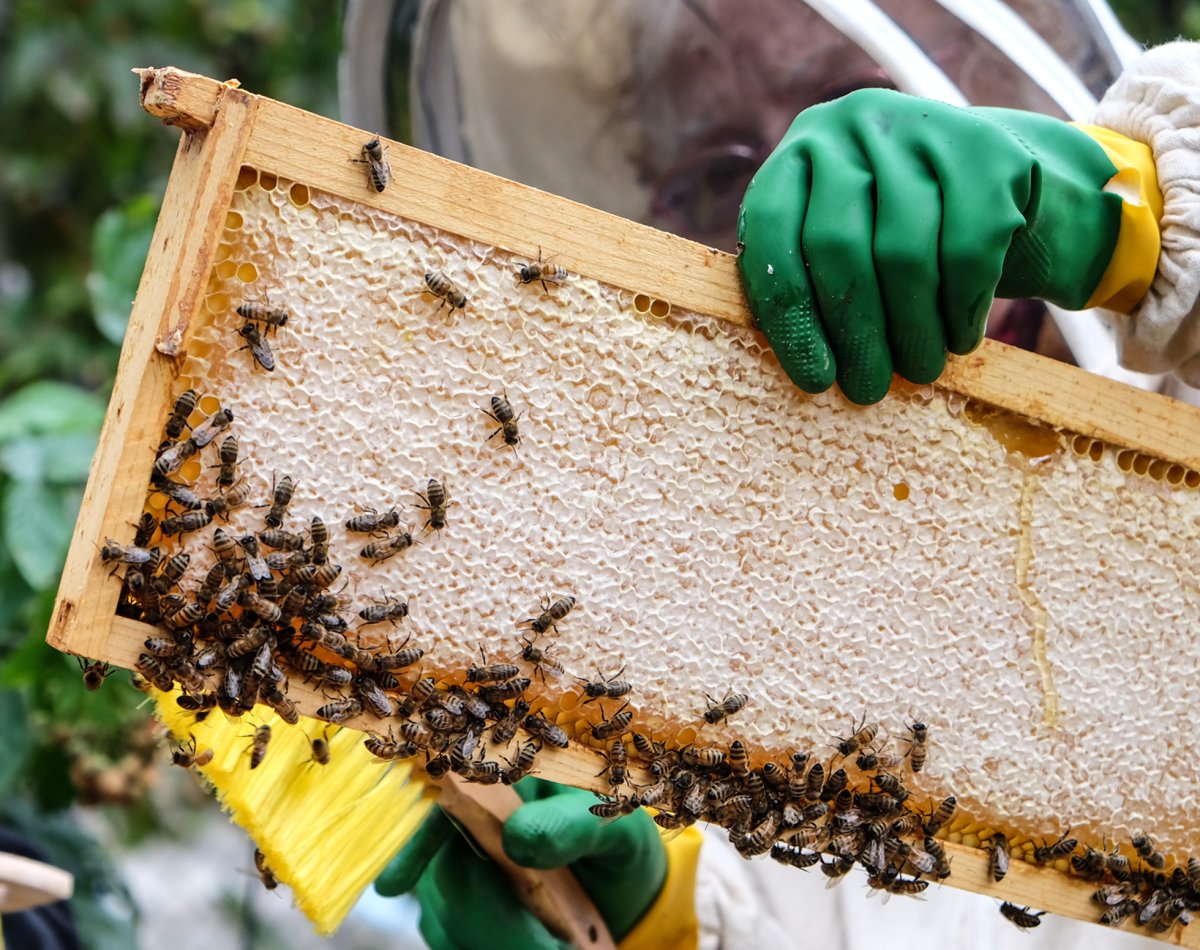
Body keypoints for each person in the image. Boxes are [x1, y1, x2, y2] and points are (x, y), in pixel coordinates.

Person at [339, 1, 1199, 945]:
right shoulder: (761, 624)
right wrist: (667, 922)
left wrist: (1133, 216)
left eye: (852, 96)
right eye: (718, 176)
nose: (797, 211)